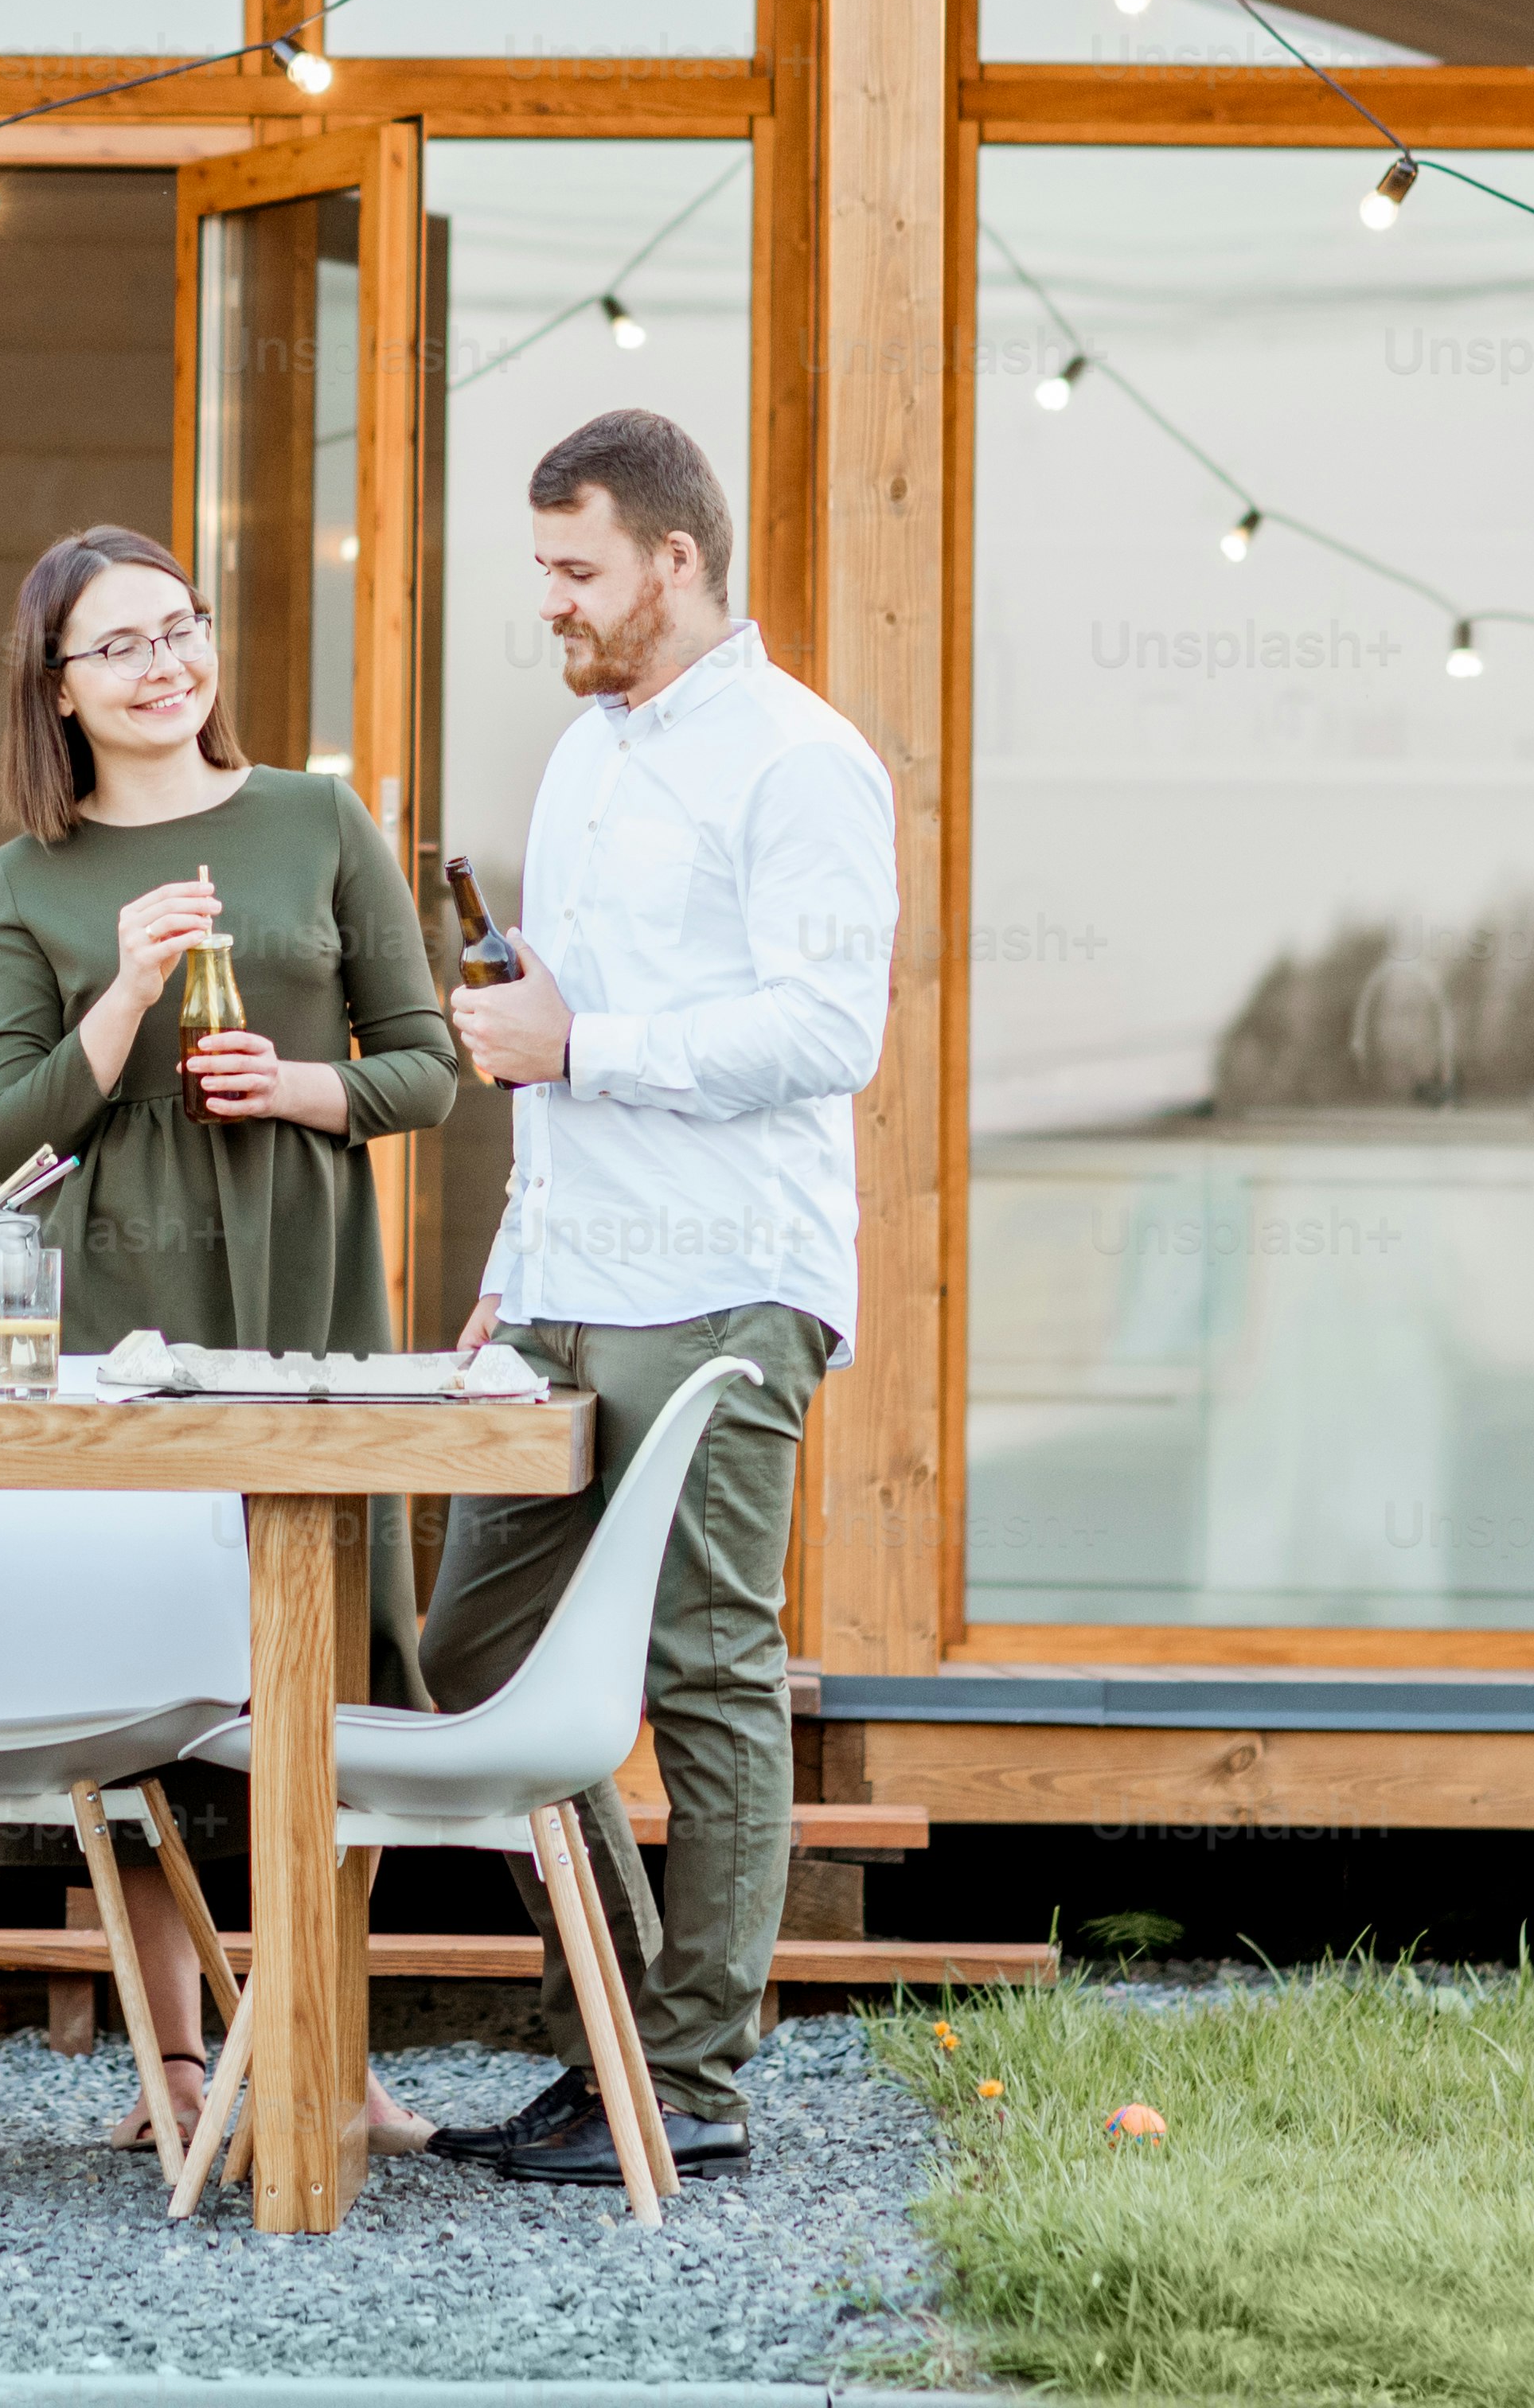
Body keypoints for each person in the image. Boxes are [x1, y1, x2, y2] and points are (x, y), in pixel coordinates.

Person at [424, 408, 888, 2192]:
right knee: (472, 1658)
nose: (547, 601)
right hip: (569, 1285)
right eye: (541, 568)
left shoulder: (798, 759)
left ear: (672, 562)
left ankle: (689, 2073)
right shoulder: (584, 757)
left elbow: (824, 1030)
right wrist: (510, 1265)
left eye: (573, 569)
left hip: (724, 1281)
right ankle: (606, 2018)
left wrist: (585, 1041)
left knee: (701, 1669)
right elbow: (553, 1041)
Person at [0, 521, 457, 2155]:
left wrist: (301, 1086)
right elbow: (1, 1123)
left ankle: (325, 2045)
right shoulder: (25, 876)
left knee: (326, 1657)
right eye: (122, 642)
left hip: (304, 1283)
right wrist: (121, 993)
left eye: (179, 626)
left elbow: (428, 1062)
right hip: (115, 1298)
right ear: (59, 687)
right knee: (154, 1665)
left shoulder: (316, 817)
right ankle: (172, 2060)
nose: (166, 660)